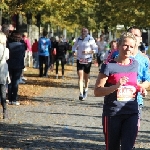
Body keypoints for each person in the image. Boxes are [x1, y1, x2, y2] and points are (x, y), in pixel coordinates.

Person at [94, 32, 147, 150]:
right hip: (113, 114)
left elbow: (133, 84)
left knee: (128, 147)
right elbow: (97, 91)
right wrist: (116, 86)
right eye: (125, 45)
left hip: (132, 112)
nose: (128, 49)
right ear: (118, 45)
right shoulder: (109, 66)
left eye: (131, 46)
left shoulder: (135, 64)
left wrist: (140, 88)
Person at [127, 26, 150, 126]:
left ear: (140, 39)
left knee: (132, 133)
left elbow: (147, 80)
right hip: (117, 101)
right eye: (131, 35)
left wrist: (138, 87)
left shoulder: (144, 59)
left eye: (136, 35)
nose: (133, 37)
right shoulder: (116, 56)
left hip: (136, 101)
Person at [72, 27, 98, 100]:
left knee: (86, 77)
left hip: (87, 60)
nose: (83, 32)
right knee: (80, 77)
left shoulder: (90, 39)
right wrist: (74, 51)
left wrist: (88, 52)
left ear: (88, 32)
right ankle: (80, 93)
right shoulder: (78, 39)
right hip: (79, 59)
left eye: (85, 31)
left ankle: (86, 89)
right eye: (82, 31)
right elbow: (74, 46)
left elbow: (95, 49)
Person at [7, 30, 26, 106]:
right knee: (16, 82)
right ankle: (14, 99)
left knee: (9, 82)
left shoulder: (9, 44)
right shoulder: (21, 45)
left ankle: (9, 98)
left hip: (9, 64)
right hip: (18, 65)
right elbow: (23, 55)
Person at [0, 31, 10, 118]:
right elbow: (7, 58)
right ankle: (5, 111)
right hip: (2, 72)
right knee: (3, 92)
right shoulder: (6, 49)